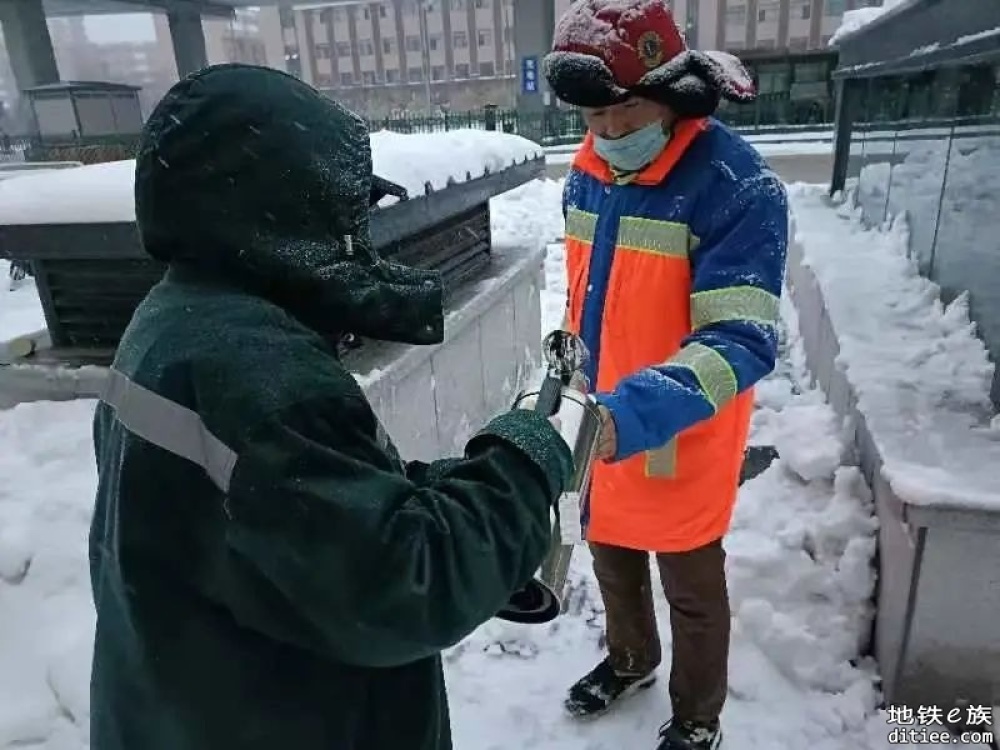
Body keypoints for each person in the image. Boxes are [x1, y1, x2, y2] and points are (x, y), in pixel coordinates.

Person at [88, 63, 575, 750]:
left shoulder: (173, 325)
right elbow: (408, 583)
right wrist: (526, 459)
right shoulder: (258, 374)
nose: (357, 240)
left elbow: (282, 512)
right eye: (344, 216)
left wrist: (432, 490)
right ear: (278, 210)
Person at [542, 2, 789, 749]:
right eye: (592, 117)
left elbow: (740, 339)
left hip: (682, 429)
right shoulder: (588, 174)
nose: (610, 133)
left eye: (625, 110)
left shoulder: (735, 186)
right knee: (612, 559)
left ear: (673, 91)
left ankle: (697, 712)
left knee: (692, 590)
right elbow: (590, 291)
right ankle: (630, 660)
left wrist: (633, 414)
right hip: (601, 419)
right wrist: (566, 374)